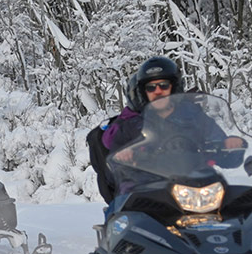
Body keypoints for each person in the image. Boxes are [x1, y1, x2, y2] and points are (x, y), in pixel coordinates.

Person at [89, 56, 244, 206]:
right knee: (129, 212)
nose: (158, 91)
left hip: (195, 188)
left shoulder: (194, 117)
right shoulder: (131, 125)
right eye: (151, 87)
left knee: (238, 209)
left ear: (173, 87)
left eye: (163, 85)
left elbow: (224, 150)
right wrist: (123, 157)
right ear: (144, 92)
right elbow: (114, 167)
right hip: (144, 191)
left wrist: (230, 146)